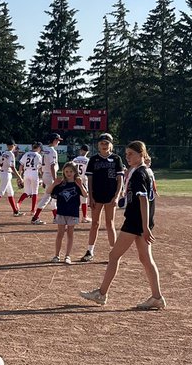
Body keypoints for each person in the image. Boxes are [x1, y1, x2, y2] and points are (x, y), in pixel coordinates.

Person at [80, 140, 166, 310]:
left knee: (114, 256)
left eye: (131, 154)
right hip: (142, 221)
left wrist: (145, 226)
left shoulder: (140, 173)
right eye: (126, 154)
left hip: (135, 221)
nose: (127, 157)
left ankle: (101, 293)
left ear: (141, 154)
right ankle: (157, 297)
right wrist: (147, 223)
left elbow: (143, 200)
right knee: (145, 259)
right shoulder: (146, 171)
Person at [80, 133, 125, 262]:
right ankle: (90, 251)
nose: (104, 145)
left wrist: (117, 196)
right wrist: (91, 197)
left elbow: (120, 179)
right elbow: (90, 179)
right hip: (97, 195)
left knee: (110, 223)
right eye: (102, 143)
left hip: (111, 196)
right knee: (95, 224)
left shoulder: (116, 159)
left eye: (106, 143)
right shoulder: (93, 160)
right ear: (98, 145)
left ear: (111, 145)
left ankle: (114, 253)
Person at [46, 161, 86, 263]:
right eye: (67, 171)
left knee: (70, 234)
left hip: (73, 212)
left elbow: (85, 195)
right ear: (63, 171)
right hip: (61, 211)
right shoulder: (61, 183)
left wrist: (81, 185)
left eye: (71, 171)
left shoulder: (77, 183)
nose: (69, 173)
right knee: (60, 233)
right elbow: (48, 191)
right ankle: (56, 255)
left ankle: (67, 256)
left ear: (75, 172)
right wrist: (54, 183)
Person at [0, 142, 22, 216]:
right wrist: (20, 177)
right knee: (1, 192)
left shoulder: (4, 153)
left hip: (4, 173)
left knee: (10, 192)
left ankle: (15, 211)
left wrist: (2, 170)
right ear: (12, 146)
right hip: (6, 174)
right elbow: (13, 167)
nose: (15, 147)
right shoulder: (11, 154)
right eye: (14, 146)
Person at [31, 134, 61, 224]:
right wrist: (55, 179)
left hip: (46, 175)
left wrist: (43, 178)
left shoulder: (45, 150)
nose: (59, 142)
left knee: (53, 198)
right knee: (47, 198)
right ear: (54, 140)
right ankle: (35, 217)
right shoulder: (52, 151)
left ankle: (56, 217)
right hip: (50, 175)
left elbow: (42, 165)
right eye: (58, 140)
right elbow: (52, 166)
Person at [16, 142, 42, 211]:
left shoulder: (26, 154)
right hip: (34, 173)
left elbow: (21, 165)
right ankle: (33, 210)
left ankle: (18, 203)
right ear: (39, 148)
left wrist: (19, 176)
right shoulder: (38, 155)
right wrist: (42, 176)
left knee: (27, 192)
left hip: (26, 173)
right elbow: (40, 168)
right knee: (35, 192)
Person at [71, 146, 90, 223]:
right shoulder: (88, 160)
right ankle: (84, 217)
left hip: (75, 179)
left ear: (81, 150)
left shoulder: (75, 159)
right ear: (87, 152)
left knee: (75, 198)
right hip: (83, 180)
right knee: (84, 199)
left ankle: (73, 216)